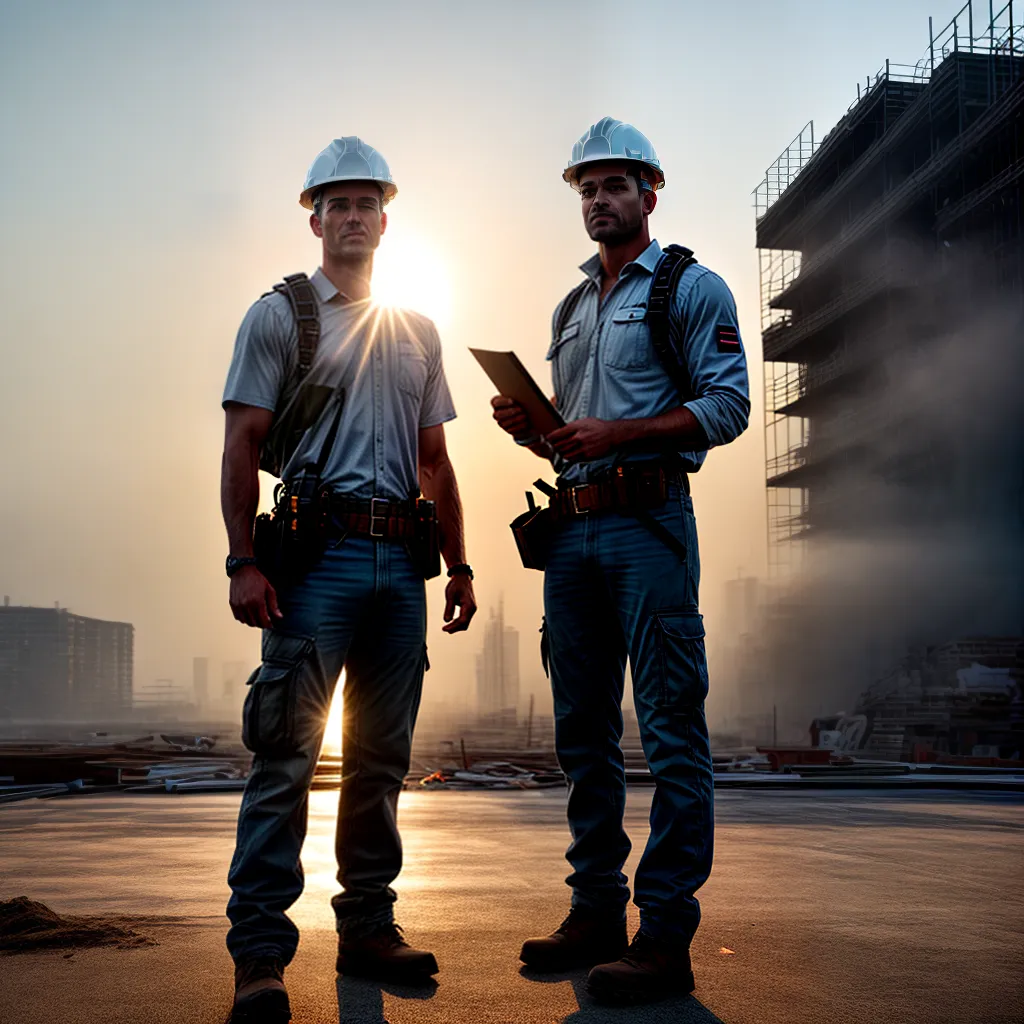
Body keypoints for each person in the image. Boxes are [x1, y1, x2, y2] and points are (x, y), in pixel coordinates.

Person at [492, 117, 749, 1005]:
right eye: (586, 189)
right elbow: (572, 441)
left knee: (673, 727)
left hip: (649, 527)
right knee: (583, 735)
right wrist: (540, 431)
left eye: (614, 185)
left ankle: (665, 937)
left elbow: (727, 407)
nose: (599, 200)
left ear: (650, 191)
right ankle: (596, 912)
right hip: (573, 531)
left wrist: (623, 432)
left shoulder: (688, 286)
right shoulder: (571, 309)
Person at [221, 136, 476, 1023]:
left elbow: (436, 460)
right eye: (340, 203)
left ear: (386, 217)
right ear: (315, 216)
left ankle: (368, 925)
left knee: (379, 762)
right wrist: (243, 560)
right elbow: (243, 444)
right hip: (313, 563)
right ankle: (259, 955)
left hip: (400, 571)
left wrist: (461, 563)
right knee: (285, 757)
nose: (355, 216)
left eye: (369, 203)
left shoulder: (417, 330)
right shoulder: (281, 317)